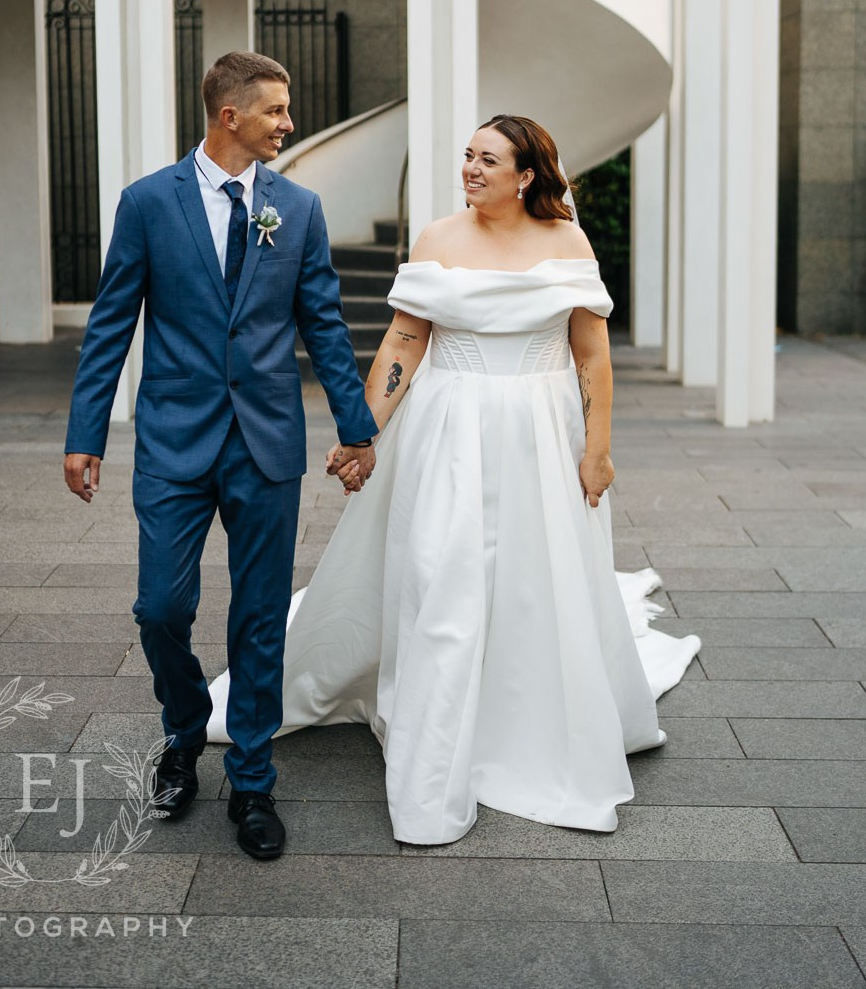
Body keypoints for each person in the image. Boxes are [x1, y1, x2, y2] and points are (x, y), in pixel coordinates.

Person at [207, 114, 700, 843]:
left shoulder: (568, 242)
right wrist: (363, 433)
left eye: (488, 159)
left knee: (534, 577)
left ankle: (522, 716)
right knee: (441, 572)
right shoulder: (438, 238)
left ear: (526, 175)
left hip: (540, 429)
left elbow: (591, 355)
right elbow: (404, 342)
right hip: (447, 428)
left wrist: (597, 450)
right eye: (468, 155)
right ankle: (434, 741)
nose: (470, 168)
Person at [63, 51, 377, 861]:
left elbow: (324, 324)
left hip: (266, 442)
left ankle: (253, 779)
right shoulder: (147, 203)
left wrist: (357, 427)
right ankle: (182, 732)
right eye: (276, 110)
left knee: (261, 616)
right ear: (229, 115)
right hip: (174, 437)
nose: (289, 124)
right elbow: (111, 323)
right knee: (161, 607)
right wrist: (85, 434)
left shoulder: (297, 208)